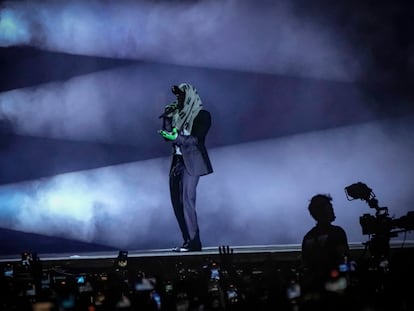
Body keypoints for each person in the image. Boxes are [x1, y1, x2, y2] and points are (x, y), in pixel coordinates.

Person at [158, 83, 213, 252]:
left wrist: (177, 137)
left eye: (181, 95)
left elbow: (196, 140)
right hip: (177, 161)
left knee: (187, 201)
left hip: (192, 162)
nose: (178, 98)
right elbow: (169, 137)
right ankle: (187, 241)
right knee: (176, 202)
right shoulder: (177, 113)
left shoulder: (202, 115)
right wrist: (167, 118)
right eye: (177, 96)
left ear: (189, 95)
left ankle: (195, 242)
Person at [301, 194, 350, 289]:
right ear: (324, 211)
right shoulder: (337, 232)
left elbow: (306, 264)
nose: (332, 210)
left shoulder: (308, 236)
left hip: (315, 287)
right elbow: (344, 260)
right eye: (330, 207)